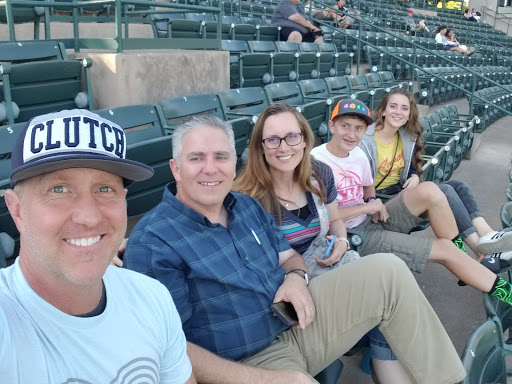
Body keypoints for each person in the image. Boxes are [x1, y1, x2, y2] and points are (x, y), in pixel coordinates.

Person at [123, 114, 466, 384]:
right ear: (175, 167)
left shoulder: (245, 206)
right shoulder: (155, 242)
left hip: (294, 321)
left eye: (220, 157)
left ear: (233, 161)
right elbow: (168, 348)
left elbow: (289, 257)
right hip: (245, 363)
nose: (210, 169)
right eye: (196, 158)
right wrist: (260, 379)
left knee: (389, 270)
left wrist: (297, 278)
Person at [0, 110, 196, 383]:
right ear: (17, 211)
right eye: (58, 189)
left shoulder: (153, 298)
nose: (89, 217)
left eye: (105, 189)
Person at [233, 103, 412, 383]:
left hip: (329, 261)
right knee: (389, 297)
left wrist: (341, 241)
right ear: (260, 146)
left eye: (292, 136)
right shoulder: (247, 198)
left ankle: (378, 354)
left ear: (304, 139)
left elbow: (336, 220)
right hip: (289, 290)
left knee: (391, 298)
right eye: (272, 139)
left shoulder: (319, 174)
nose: (283, 147)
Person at [310, 98, 512, 307]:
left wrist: (372, 200)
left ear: (365, 130)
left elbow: (368, 187)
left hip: (373, 217)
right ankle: (502, 289)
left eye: (358, 128)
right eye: (345, 126)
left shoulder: (358, 154)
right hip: (352, 235)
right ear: (331, 125)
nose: (351, 134)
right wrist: (369, 206)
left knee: (430, 190)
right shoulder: (315, 162)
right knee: (446, 250)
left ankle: (465, 262)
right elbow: (320, 218)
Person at [358, 88, 512, 261]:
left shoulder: (405, 135)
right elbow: (357, 184)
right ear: (384, 110)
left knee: (458, 186)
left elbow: (409, 164)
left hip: (400, 192)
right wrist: (371, 202)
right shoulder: (365, 140)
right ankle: (480, 251)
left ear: (409, 115)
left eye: (404, 108)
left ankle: (488, 235)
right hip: (381, 201)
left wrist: (415, 175)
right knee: (444, 190)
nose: (398, 112)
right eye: (393, 106)